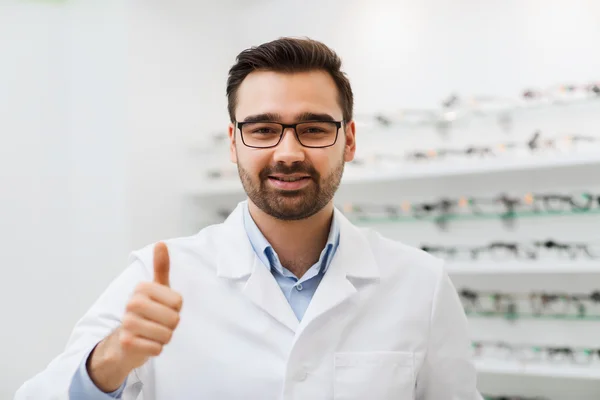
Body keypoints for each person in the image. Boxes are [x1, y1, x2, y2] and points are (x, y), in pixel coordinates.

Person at [15, 37, 481, 400]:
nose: (289, 152)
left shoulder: (421, 283)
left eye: (314, 129)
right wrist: (112, 359)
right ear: (234, 142)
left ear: (351, 140)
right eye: (263, 129)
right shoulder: (160, 278)